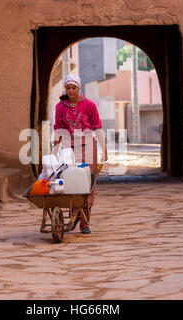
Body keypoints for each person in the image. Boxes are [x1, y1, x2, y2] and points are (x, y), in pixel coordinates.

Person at [53, 74, 107, 234]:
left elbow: (97, 127)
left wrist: (105, 149)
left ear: (79, 88)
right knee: (71, 180)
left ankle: (85, 223)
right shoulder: (60, 107)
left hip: (88, 147)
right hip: (69, 148)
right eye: (68, 88)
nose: (70, 91)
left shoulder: (89, 105)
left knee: (88, 183)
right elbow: (58, 129)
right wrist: (55, 151)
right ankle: (74, 215)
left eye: (73, 88)